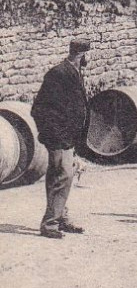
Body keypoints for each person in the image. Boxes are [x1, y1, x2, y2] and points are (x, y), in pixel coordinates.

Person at [31, 38, 91, 240]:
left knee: (59, 175)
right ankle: (50, 224)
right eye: (86, 56)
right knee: (63, 174)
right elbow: (40, 109)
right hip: (59, 137)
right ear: (82, 55)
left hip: (69, 137)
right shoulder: (58, 74)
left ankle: (61, 217)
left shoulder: (74, 73)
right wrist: (57, 136)